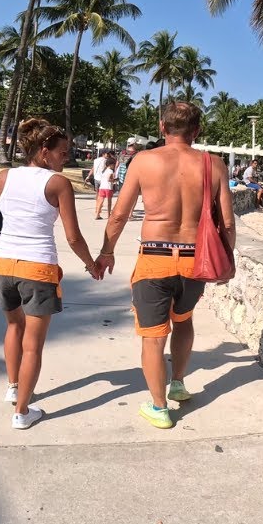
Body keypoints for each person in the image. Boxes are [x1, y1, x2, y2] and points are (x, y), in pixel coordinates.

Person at [95, 102, 236, 429]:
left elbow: (119, 214)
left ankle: (159, 408)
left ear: (162, 127)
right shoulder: (213, 164)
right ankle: (178, 383)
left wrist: (106, 251)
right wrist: (227, 263)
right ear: (197, 130)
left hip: (155, 259)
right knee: (183, 320)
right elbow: (227, 223)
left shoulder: (144, 161)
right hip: (193, 260)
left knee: (153, 338)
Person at [0, 118, 99, 430]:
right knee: (33, 344)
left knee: (13, 327)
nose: (66, 157)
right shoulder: (57, 184)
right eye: (62, 152)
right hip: (38, 268)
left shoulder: (5, 177)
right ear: (44, 152)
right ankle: (22, 412)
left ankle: (13, 386)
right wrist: (91, 264)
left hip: (2, 264)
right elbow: (73, 237)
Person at [94, 155, 116, 220]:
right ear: (111, 164)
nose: (114, 166)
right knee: (109, 202)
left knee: (100, 201)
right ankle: (109, 215)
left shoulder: (104, 170)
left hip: (102, 187)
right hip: (108, 188)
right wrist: (115, 180)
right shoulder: (111, 171)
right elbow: (109, 179)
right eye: (114, 165)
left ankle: (97, 214)